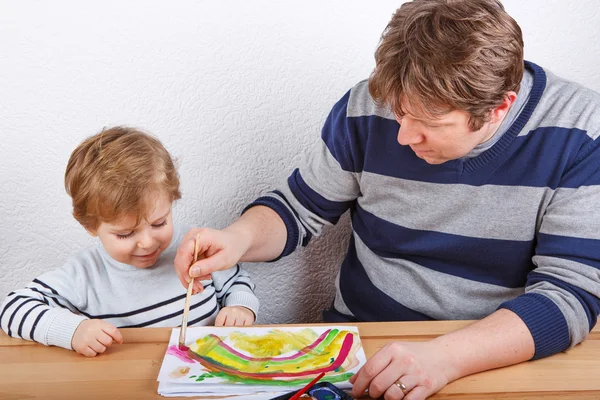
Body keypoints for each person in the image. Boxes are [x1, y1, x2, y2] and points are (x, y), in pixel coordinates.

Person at [174, 0, 600, 398]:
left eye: (429, 121)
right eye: (399, 110)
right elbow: (300, 208)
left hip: (492, 359)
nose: (402, 136)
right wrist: (238, 239)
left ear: (499, 107)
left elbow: (570, 297)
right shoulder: (367, 104)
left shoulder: (583, 132)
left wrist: (445, 357)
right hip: (362, 347)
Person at [0, 127, 259, 357]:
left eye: (159, 223)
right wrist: (73, 330)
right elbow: (12, 309)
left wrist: (240, 305)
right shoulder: (86, 274)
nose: (146, 243)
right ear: (90, 226)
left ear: (172, 201)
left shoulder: (195, 246)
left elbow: (236, 279)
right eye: (125, 234)